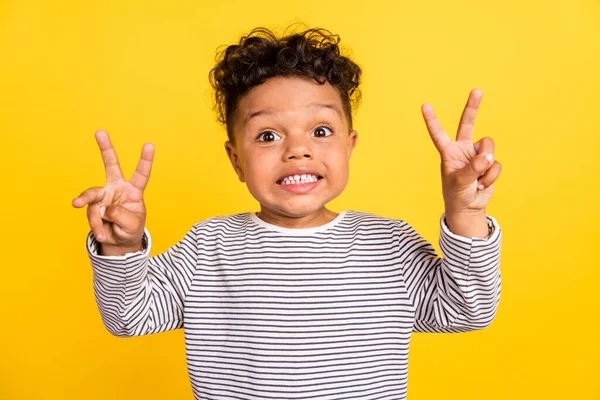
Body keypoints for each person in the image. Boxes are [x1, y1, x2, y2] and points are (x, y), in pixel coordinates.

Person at [72, 26, 503, 400]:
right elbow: (130, 317)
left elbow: (468, 310)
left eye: (320, 130)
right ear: (236, 160)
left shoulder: (388, 244)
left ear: (349, 146)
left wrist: (464, 211)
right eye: (267, 135)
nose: (298, 148)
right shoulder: (208, 248)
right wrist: (122, 246)